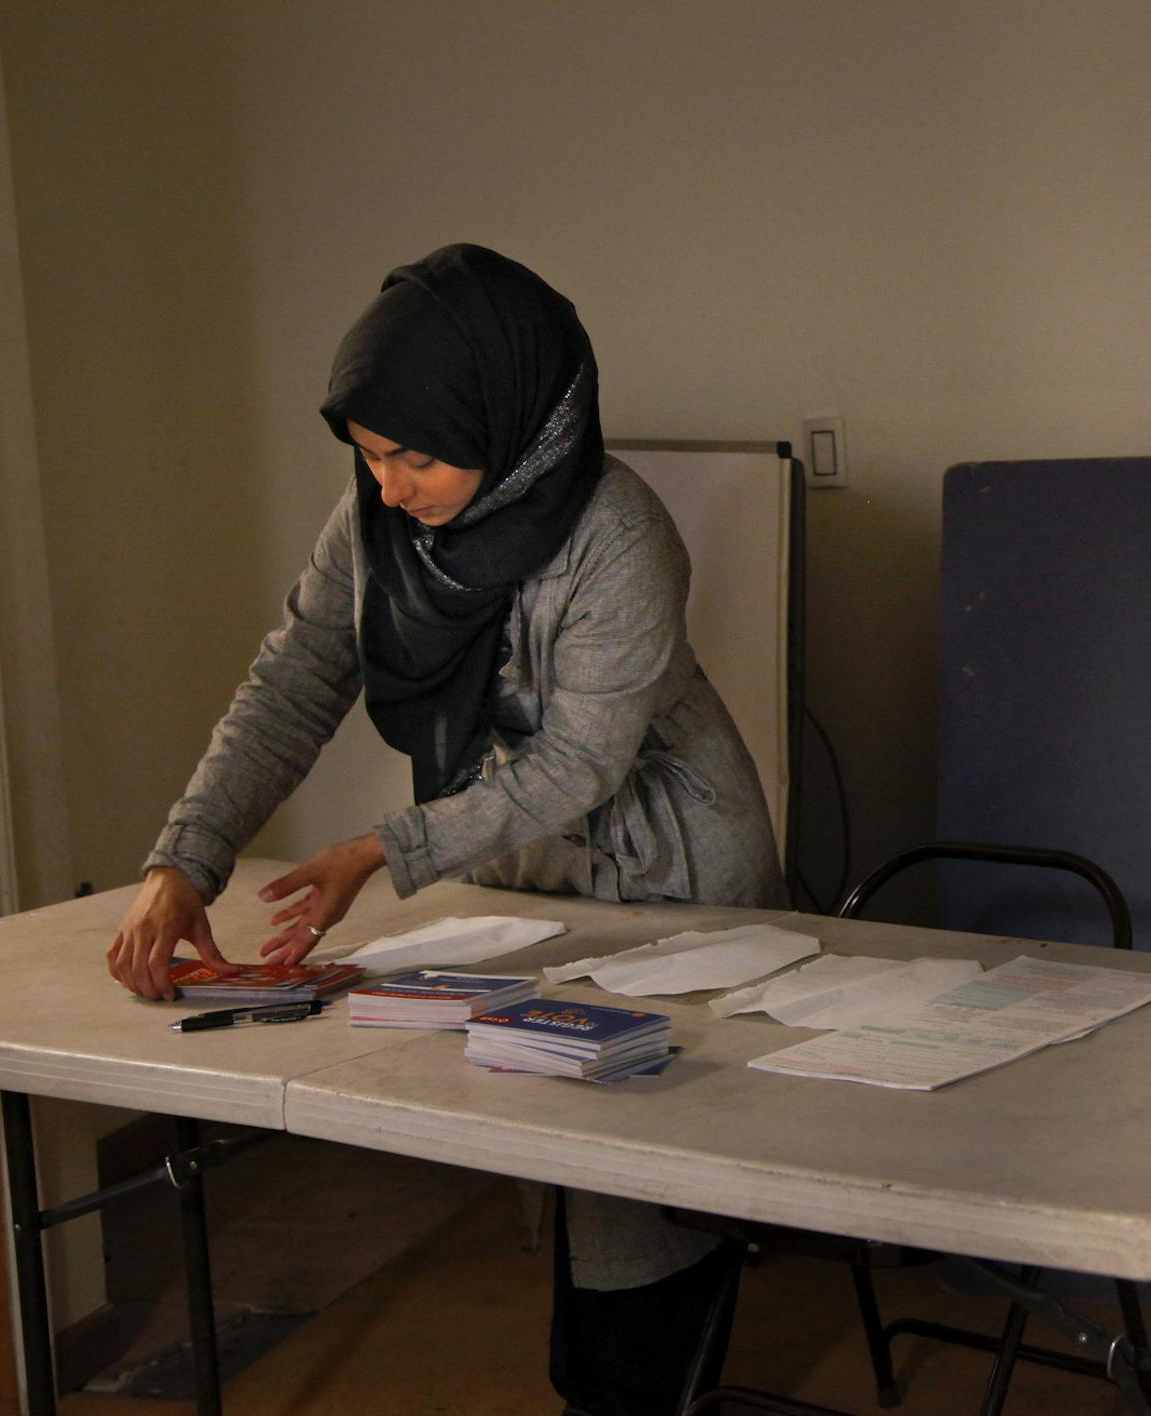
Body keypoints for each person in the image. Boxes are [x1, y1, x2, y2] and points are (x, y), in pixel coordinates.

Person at [104, 244, 783, 1414]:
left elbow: (580, 760)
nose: (387, 487)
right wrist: (184, 859)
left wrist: (380, 852)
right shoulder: (379, 520)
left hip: (677, 880)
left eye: (414, 455)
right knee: (572, 1181)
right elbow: (292, 684)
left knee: (637, 1221)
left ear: (508, 417)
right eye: (368, 457)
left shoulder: (623, 534)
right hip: (530, 877)